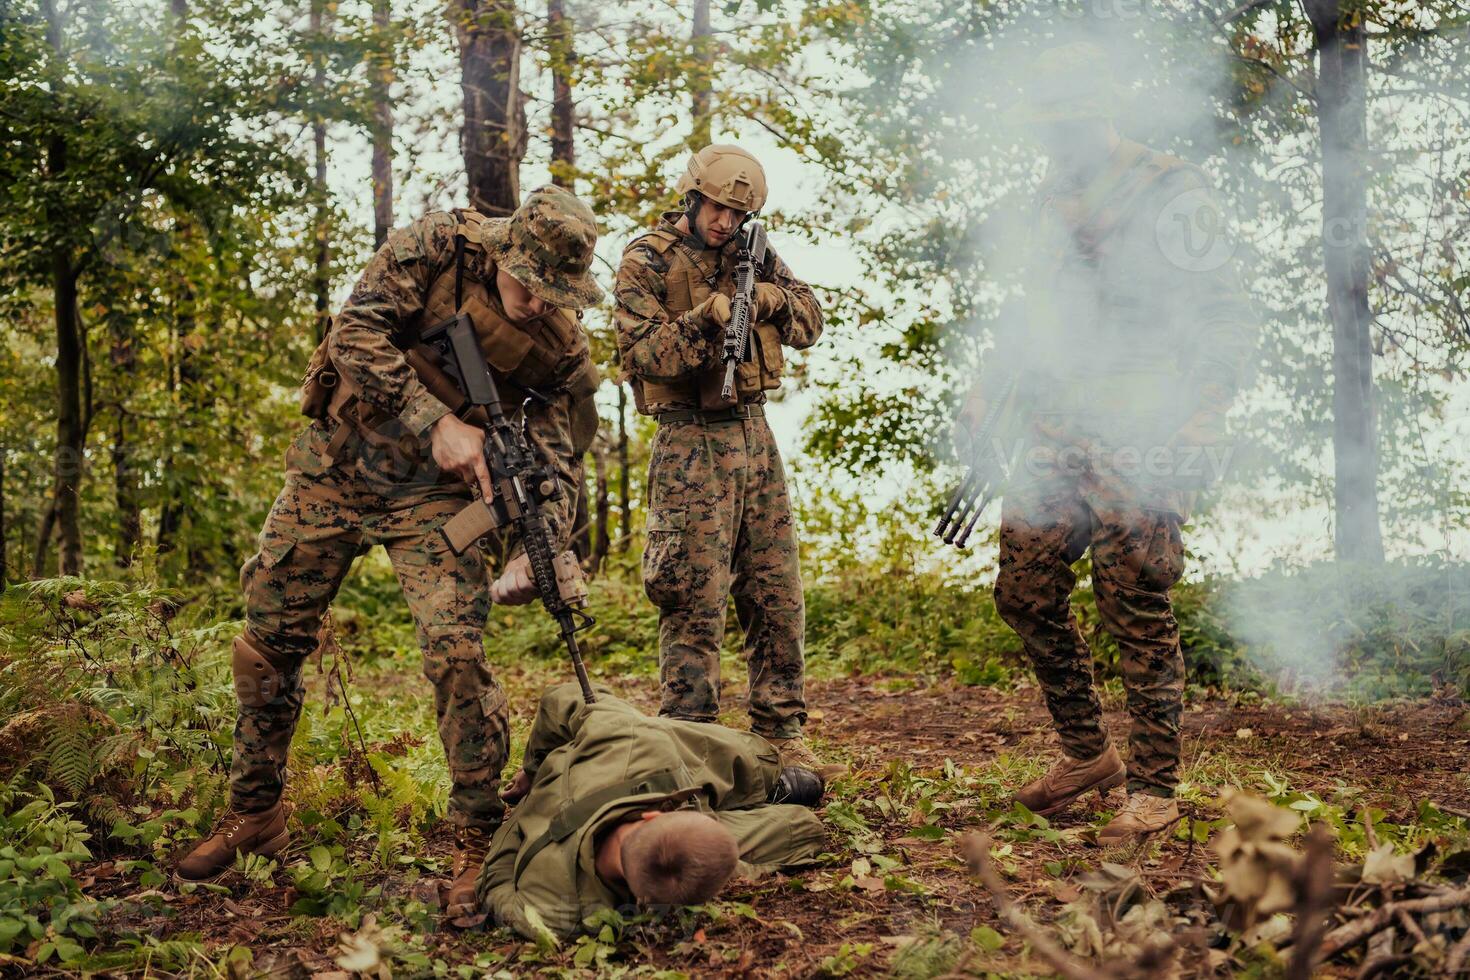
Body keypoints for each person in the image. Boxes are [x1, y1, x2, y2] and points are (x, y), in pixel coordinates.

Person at [176, 186, 604, 916]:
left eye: (558, 293)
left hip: (435, 501)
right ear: (505, 254)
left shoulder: (560, 346)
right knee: (267, 644)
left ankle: (476, 839)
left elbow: (560, 458)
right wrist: (435, 418)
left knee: (456, 654)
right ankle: (256, 815)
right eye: (533, 287)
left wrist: (545, 545)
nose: (542, 303)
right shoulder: (437, 245)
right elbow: (356, 333)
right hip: (337, 463)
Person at [955, 42, 1256, 843]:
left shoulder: (1169, 188)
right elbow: (1031, 316)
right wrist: (988, 386)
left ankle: (1155, 787)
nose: (1056, 147)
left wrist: (1207, 407)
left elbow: (1225, 308)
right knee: (1021, 588)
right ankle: (1088, 754)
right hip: (1058, 423)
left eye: (1068, 129)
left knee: (1135, 599)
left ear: (1100, 115)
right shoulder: (1045, 201)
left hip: (1146, 421)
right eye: (1047, 132)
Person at [613, 143, 840, 779]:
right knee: (692, 588)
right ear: (692, 196)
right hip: (690, 439)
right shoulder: (647, 259)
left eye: (737, 214)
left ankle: (782, 728)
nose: (724, 222)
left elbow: (811, 320)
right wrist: (705, 318)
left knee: (775, 587)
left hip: (753, 431)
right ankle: (691, 732)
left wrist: (768, 301)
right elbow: (642, 355)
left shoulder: (756, 252)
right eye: (717, 207)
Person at [475, 682, 827, 940]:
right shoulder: (555, 913)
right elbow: (804, 829)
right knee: (791, 818)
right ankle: (765, 784)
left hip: (612, 769)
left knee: (709, 762)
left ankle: (763, 780)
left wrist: (533, 775)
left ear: (652, 816)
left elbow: (562, 697)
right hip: (678, 769)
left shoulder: (632, 740)